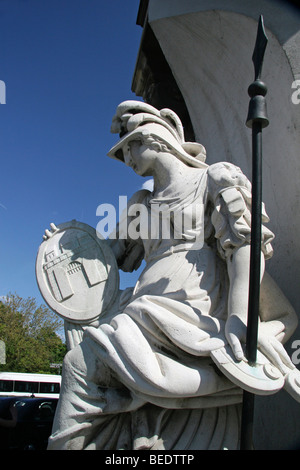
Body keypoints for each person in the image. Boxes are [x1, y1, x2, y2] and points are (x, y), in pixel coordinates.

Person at [48, 101, 298, 450]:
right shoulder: (140, 203)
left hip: (195, 310)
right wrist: (65, 246)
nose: (128, 159)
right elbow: (108, 257)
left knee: (80, 365)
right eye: (122, 153)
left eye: (130, 146)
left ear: (156, 138)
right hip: (144, 309)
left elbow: (243, 245)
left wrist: (239, 315)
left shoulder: (214, 177)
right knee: (79, 366)